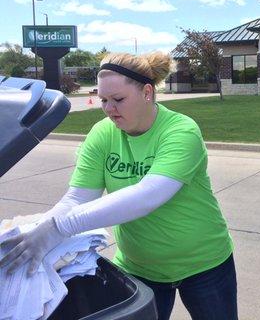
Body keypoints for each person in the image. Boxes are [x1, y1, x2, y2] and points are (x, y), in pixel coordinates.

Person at [0, 52, 237, 320]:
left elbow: (148, 195)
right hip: (139, 267)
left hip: (205, 265)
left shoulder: (181, 131)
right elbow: (78, 197)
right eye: (103, 100)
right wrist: (41, 230)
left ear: (147, 92)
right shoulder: (102, 133)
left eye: (118, 100)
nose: (109, 109)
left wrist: (60, 227)